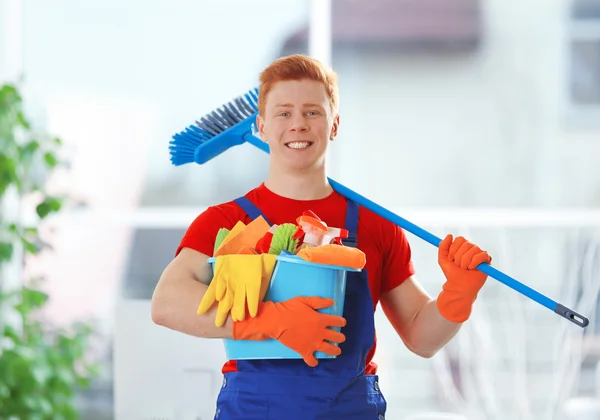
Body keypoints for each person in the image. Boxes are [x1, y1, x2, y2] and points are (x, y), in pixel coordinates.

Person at [151, 54, 492, 419]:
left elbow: (422, 339)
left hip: (349, 409)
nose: (298, 124)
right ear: (261, 127)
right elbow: (168, 303)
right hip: (253, 410)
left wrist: (457, 294)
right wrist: (270, 321)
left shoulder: (377, 226)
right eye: (284, 113)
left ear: (334, 125)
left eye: (312, 112)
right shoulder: (226, 221)